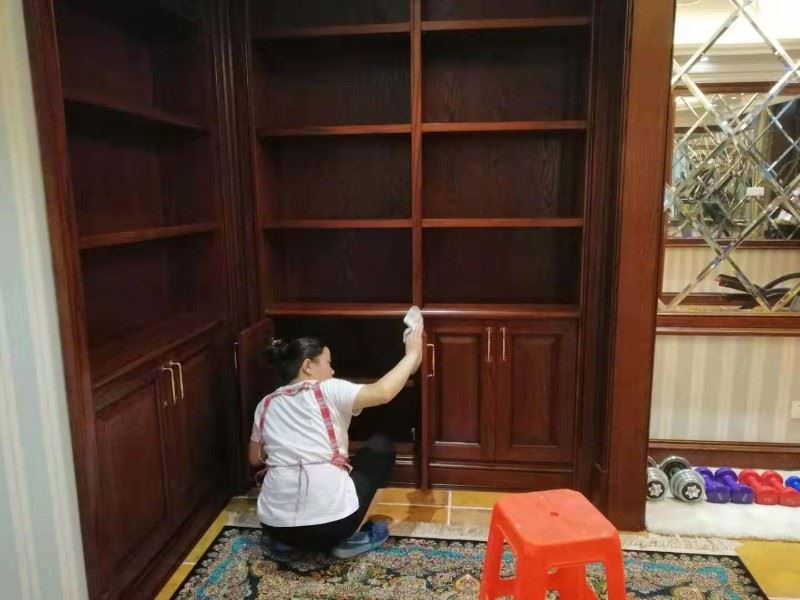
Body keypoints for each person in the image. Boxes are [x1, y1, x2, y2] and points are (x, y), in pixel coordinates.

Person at [249, 324, 423, 558]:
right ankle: (347, 541)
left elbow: (254, 458)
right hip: (333, 527)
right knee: (380, 446)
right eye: (328, 363)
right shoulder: (328, 388)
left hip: (275, 527)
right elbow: (383, 392)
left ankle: (288, 544)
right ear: (308, 366)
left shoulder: (266, 404)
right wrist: (412, 353)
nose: (332, 371)